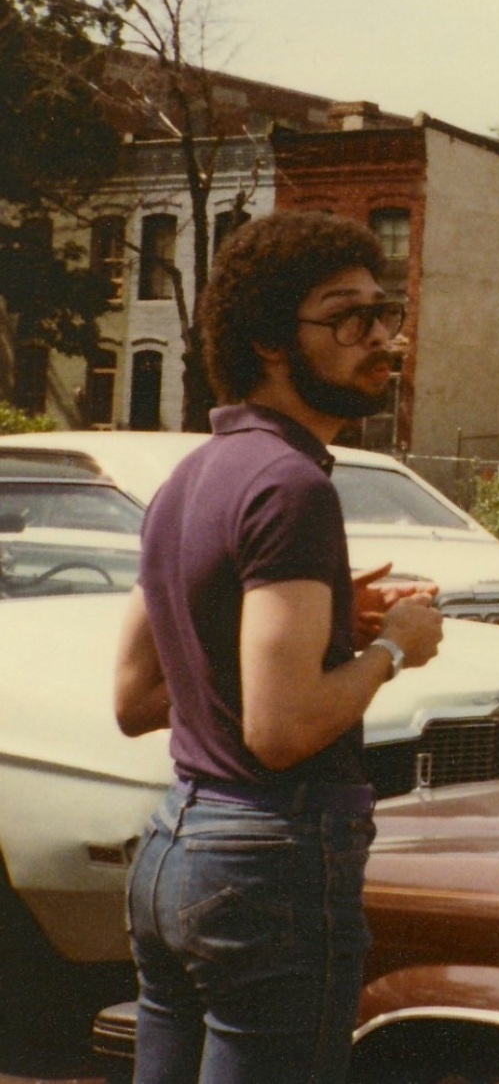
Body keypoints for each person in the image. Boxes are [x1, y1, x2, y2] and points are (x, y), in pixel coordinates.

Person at [112, 211, 445, 1084]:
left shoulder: (189, 478)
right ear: (266, 339)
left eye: (384, 314)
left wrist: (328, 631)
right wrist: (396, 648)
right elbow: (282, 731)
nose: (381, 339)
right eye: (347, 318)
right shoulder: (292, 487)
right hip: (269, 857)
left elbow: (138, 700)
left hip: (172, 850)